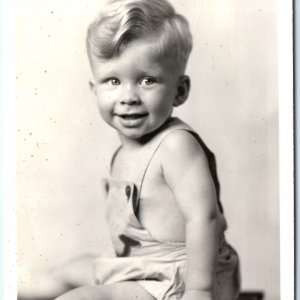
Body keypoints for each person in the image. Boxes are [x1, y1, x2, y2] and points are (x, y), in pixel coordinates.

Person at [56, 0, 240, 299]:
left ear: (179, 91)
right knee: (65, 273)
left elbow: (202, 217)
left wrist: (200, 290)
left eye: (146, 80)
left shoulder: (176, 146)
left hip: (184, 275)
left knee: (80, 297)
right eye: (113, 80)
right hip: (143, 265)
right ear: (95, 91)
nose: (129, 96)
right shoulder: (123, 152)